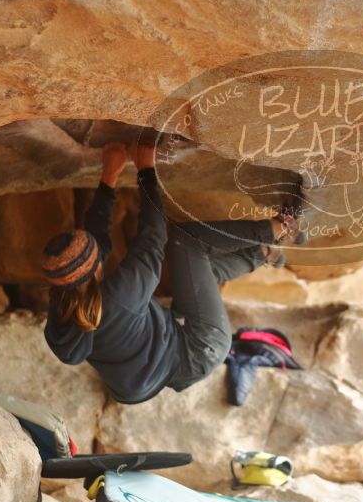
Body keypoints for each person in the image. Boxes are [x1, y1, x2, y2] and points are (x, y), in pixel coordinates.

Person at [41, 141, 304, 404]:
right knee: (185, 242)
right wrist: (146, 169)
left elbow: (96, 239)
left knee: (198, 273)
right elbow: (153, 237)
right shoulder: (121, 296)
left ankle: (263, 253)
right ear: (94, 266)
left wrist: (109, 177)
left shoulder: (61, 312)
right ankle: (280, 228)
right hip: (201, 347)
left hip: (144, 379)